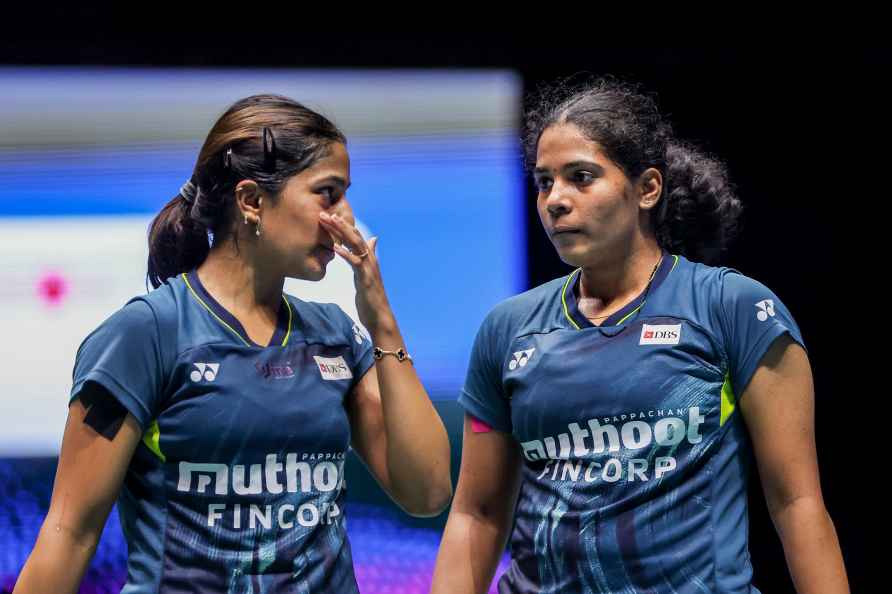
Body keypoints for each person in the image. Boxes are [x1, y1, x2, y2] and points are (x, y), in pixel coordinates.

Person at [14, 94, 452, 594]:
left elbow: (428, 490)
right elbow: (69, 534)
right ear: (251, 201)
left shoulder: (337, 335)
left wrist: (384, 328)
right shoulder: (145, 335)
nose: (346, 219)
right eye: (328, 194)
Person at [431, 77, 848, 593]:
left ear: (647, 189)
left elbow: (797, 503)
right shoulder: (509, 329)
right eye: (544, 182)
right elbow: (478, 514)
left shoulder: (732, 309)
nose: (555, 200)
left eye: (581, 178)